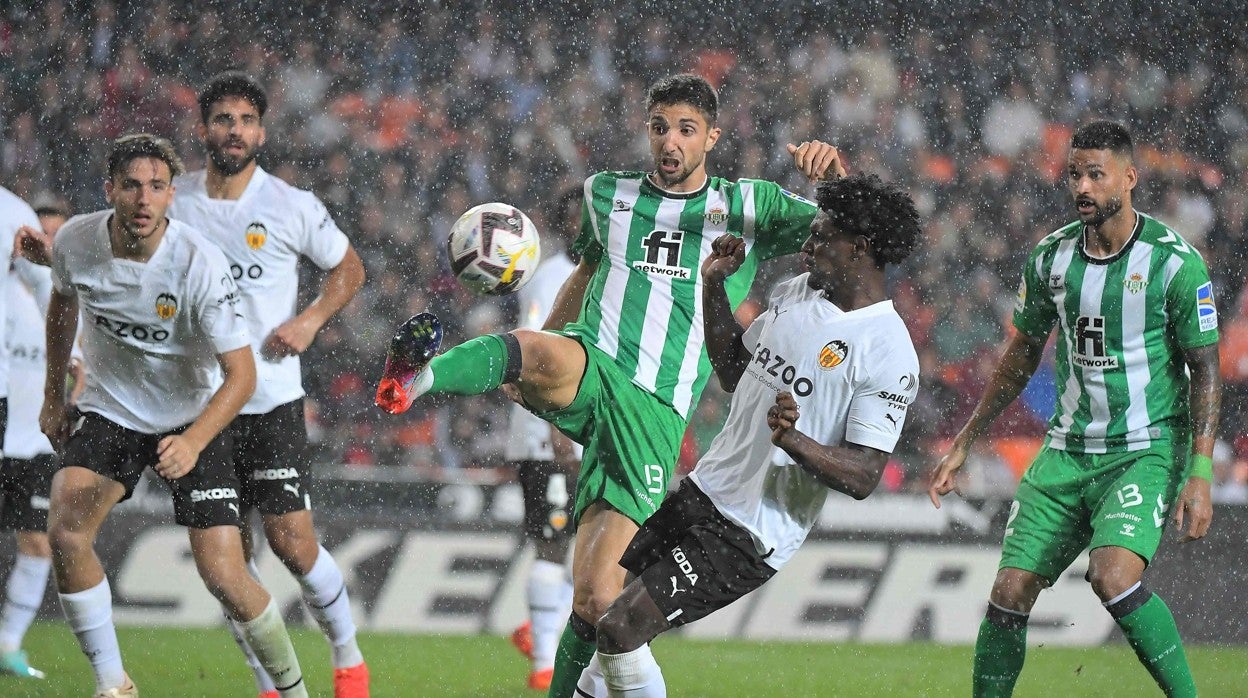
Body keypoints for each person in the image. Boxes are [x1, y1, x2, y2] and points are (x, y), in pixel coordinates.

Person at [373, 73, 844, 698]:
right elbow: (588, 268)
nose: (669, 142)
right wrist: (543, 349)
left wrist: (834, 176)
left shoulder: (750, 204)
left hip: (654, 409)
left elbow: (848, 231)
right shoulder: (606, 194)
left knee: (596, 599)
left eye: (685, 129)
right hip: (595, 363)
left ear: (712, 137)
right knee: (534, 348)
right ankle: (417, 378)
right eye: (659, 127)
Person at [586, 172, 921, 697]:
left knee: (620, 628)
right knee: (620, 628)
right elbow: (732, 369)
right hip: (705, 491)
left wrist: (795, 442)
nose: (808, 245)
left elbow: (864, 475)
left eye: (822, 235)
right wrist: (712, 285)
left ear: (858, 248)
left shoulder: (888, 350)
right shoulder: (796, 293)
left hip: (751, 531)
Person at [927, 120, 1221, 698]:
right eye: (1074, 175)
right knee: (1008, 593)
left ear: (1129, 178)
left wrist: (1202, 472)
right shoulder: (1050, 261)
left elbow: (1206, 370)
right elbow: (1019, 355)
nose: (1082, 187)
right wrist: (966, 439)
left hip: (1144, 448)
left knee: (1112, 576)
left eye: (1095, 174)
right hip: (1066, 452)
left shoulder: (1174, 264)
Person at [37, 134, 307, 698]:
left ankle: (294, 693)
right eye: (132, 184)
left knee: (226, 578)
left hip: (192, 416)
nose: (143, 198)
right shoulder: (76, 242)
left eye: (157, 186)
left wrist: (193, 440)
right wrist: (53, 394)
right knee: (66, 533)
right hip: (113, 410)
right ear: (109, 189)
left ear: (170, 197)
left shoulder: (198, 263)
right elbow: (63, 304)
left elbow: (242, 376)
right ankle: (114, 685)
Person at [167, 71, 368, 698]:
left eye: (246, 120)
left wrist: (309, 320)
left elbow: (349, 267)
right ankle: (272, 684)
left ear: (261, 131)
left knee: (292, 543)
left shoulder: (290, 205)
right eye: (223, 119)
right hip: (197, 409)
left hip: (271, 401)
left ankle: (347, 656)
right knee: (224, 569)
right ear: (203, 130)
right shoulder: (172, 202)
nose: (235, 131)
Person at [504, 187, 583, 691]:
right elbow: (536, 351)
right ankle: (542, 669)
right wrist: (555, 426)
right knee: (552, 545)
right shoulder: (551, 276)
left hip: (580, 430)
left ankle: (543, 628)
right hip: (547, 433)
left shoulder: (594, 275)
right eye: (578, 220)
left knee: (579, 542)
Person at [0, 196, 67, 680]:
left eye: (51, 236)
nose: (37, 244)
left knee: (39, 544)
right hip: (6, 432)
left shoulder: (64, 307)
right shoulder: (9, 298)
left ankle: (9, 644)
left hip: (36, 442)